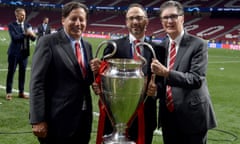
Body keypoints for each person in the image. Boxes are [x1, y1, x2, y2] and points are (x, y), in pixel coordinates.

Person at [150, 1, 217, 144]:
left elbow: (196, 79)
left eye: (173, 16)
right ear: (161, 21)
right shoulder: (160, 47)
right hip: (168, 117)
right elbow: (162, 83)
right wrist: (156, 90)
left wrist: (167, 73)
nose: (169, 21)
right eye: (165, 17)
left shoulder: (198, 44)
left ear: (182, 18)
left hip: (192, 117)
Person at [91, 3, 157, 144]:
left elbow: (163, 82)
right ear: (126, 22)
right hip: (116, 116)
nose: (135, 22)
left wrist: (156, 90)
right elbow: (102, 76)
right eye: (131, 18)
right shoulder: (113, 46)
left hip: (145, 118)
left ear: (146, 20)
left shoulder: (156, 50)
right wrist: (97, 75)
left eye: (139, 18)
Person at [29, 2, 94, 144]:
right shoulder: (48, 42)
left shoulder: (87, 46)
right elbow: (37, 82)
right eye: (73, 18)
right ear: (63, 20)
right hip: (56, 120)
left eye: (81, 19)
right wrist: (37, 119)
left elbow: (84, 81)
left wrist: (94, 72)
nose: (78, 23)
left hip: (83, 119)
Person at [6, 7, 36, 100]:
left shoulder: (28, 25)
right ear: (17, 15)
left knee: (22, 74)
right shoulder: (12, 25)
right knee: (11, 72)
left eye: (24, 15)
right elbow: (15, 38)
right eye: (21, 15)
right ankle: (9, 92)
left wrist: (33, 35)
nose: (23, 17)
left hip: (24, 54)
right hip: (14, 53)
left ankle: (21, 92)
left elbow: (33, 39)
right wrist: (25, 33)